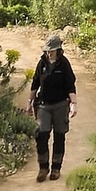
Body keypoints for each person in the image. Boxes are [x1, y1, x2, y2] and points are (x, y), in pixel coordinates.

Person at [29, 34, 77, 181]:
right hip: (43, 105)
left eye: (52, 50)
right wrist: (29, 102)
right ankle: (43, 167)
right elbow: (35, 83)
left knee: (59, 136)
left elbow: (70, 85)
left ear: (58, 50)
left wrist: (73, 104)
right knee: (41, 135)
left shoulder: (64, 64)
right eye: (48, 50)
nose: (49, 53)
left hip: (61, 105)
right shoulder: (41, 63)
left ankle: (56, 168)